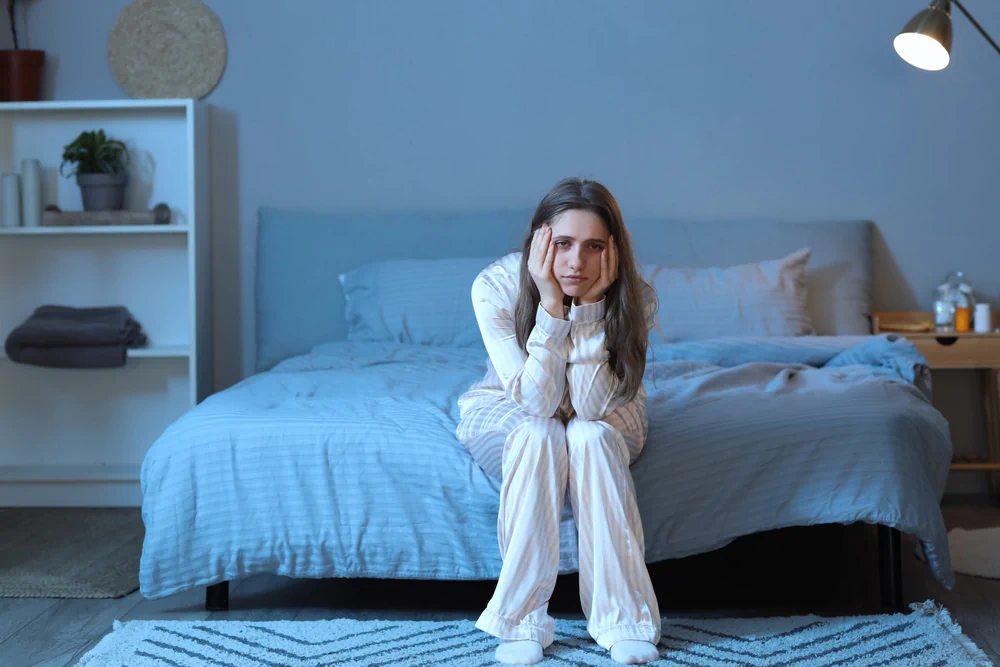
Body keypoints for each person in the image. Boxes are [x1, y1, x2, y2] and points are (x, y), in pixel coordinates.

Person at [456, 177, 661, 665]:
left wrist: (589, 312)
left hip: (611, 409)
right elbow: (537, 402)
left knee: (589, 436)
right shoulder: (496, 286)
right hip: (510, 407)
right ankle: (523, 620)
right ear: (538, 241)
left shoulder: (637, 298)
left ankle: (624, 620)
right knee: (540, 432)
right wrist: (551, 307)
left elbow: (591, 407)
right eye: (564, 244)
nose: (576, 263)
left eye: (593, 247)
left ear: (612, 250)